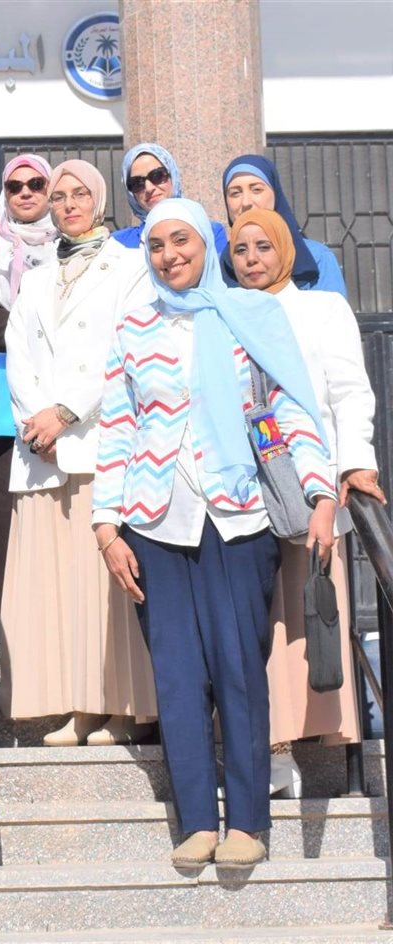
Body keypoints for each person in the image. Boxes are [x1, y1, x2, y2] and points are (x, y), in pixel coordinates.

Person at [94, 198, 337, 869]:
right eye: (156, 245)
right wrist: (106, 525)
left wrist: (320, 492)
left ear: (207, 244)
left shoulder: (250, 314)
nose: (169, 255)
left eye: (182, 240)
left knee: (238, 669)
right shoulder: (134, 325)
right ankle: (197, 820)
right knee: (177, 678)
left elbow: (289, 406)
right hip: (154, 521)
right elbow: (117, 425)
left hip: (239, 516)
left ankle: (249, 822)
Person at [0, 159, 158, 746]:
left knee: (104, 585)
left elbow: (127, 350)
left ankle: (122, 706)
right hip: (43, 452)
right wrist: (36, 419)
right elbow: (18, 351)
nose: (68, 204)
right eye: (59, 196)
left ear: (99, 200)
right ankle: (78, 704)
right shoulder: (38, 274)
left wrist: (65, 412)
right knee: (59, 587)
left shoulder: (130, 267)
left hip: (98, 442)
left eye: (79, 194)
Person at [229, 207, 382, 796]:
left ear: (286, 250)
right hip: (243, 491)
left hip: (307, 487)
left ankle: (298, 747)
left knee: (304, 619)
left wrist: (355, 462)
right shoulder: (225, 312)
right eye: (240, 250)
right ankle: (266, 749)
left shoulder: (321, 309)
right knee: (255, 623)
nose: (252, 260)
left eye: (263, 247)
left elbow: (348, 391)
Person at [0, 153, 57, 631]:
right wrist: (34, 337)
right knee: (4, 497)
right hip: (3, 382)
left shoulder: (69, 245)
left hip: (61, 386)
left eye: (36, 184)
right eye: (15, 186)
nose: (25, 193)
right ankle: (1, 614)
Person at [221, 154, 347, 296]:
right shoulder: (215, 264)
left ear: (275, 194)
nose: (246, 202)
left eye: (256, 190)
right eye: (235, 193)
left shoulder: (317, 257)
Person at [112, 143, 228, 253]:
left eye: (157, 176)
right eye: (137, 183)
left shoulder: (209, 232)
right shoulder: (118, 244)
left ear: (172, 175)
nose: (149, 188)